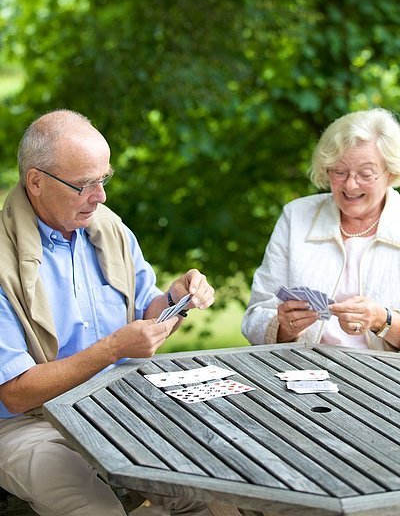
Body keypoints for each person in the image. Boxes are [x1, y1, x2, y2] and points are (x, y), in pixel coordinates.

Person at [0, 110, 215, 516]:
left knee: (204, 487)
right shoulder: (1, 259)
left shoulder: (108, 228)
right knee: (93, 509)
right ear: (36, 181)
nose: (100, 197)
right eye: (84, 184)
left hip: (116, 405)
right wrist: (113, 348)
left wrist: (174, 300)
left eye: (103, 179)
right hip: (28, 424)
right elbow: (14, 392)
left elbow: (146, 309)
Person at [242, 107, 400, 351]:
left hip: (386, 381)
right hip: (304, 369)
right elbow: (254, 316)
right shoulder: (296, 216)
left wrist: (383, 320)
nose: (350, 184)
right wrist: (283, 327)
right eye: (339, 171)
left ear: (391, 173)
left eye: (365, 174)